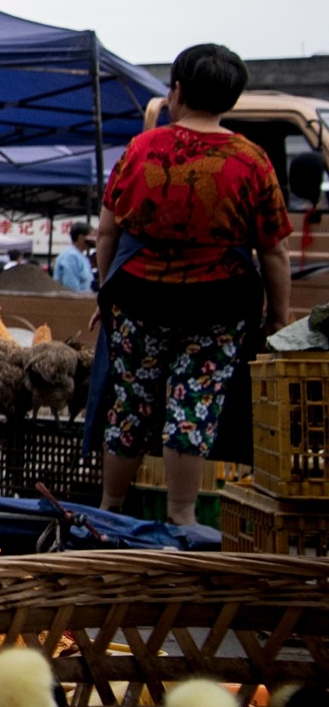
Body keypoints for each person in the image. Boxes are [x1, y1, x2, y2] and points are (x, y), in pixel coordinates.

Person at [91, 44, 291, 525]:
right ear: (231, 99)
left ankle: (109, 509)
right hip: (218, 305)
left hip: (139, 297)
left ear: (176, 90)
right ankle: (182, 515)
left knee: (131, 403)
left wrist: (105, 292)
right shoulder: (251, 160)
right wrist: (278, 317)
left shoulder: (142, 149)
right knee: (193, 403)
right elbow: (274, 252)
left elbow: (107, 232)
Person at [54, 221, 96, 292]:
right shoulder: (71, 256)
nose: (94, 240)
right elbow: (71, 288)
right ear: (81, 237)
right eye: (91, 236)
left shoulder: (81, 256)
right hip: (73, 301)